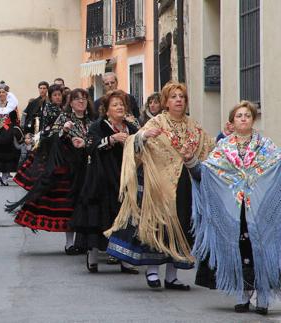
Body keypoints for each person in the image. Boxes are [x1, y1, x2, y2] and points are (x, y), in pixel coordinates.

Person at [105, 82, 214, 290]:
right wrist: (143, 136)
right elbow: (133, 145)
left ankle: (172, 276)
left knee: (181, 226)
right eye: (173, 97)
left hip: (184, 185)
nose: (178, 100)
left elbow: (209, 149)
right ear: (166, 101)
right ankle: (153, 271)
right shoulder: (156, 123)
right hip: (158, 186)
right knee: (159, 228)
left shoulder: (194, 126)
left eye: (181, 96)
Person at [191, 101, 281, 315]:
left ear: (253, 120)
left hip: (259, 208)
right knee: (240, 249)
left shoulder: (266, 146)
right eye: (239, 115)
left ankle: (263, 295)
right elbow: (208, 173)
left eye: (247, 115)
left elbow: (276, 167)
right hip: (235, 209)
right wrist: (190, 160)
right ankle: (243, 294)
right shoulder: (223, 148)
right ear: (231, 121)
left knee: (261, 246)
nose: (243, 119)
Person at [7, 89, 92, 255]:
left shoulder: (91, 120)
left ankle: (86, 241)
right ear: (71, 103)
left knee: (86, 204)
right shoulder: (65, 118)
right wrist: (64, 132)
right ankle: (70, 244)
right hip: (68, 167)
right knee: (69, 205)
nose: (81, 102)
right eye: (77, 99)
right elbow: (52, 138)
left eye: (84, 99)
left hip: (88, 166)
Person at [70, 90, 139, 274]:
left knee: (124, 217)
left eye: (122, 105)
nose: (119, 108)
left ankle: (125, 259)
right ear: (107, 110)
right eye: (115, 105)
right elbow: (91, 146)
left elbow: (140, 147)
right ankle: (92, 255)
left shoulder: (131, 127)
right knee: (99, 216)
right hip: (101, 177)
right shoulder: (98, 126)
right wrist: (112, 139)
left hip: (124, 178)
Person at [14, 84, 64, 190]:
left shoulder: (61, 108)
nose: (58, 97)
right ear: (50, 97)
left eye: (59, 95)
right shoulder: (49, 108)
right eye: (55, 95)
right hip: (48, 141)